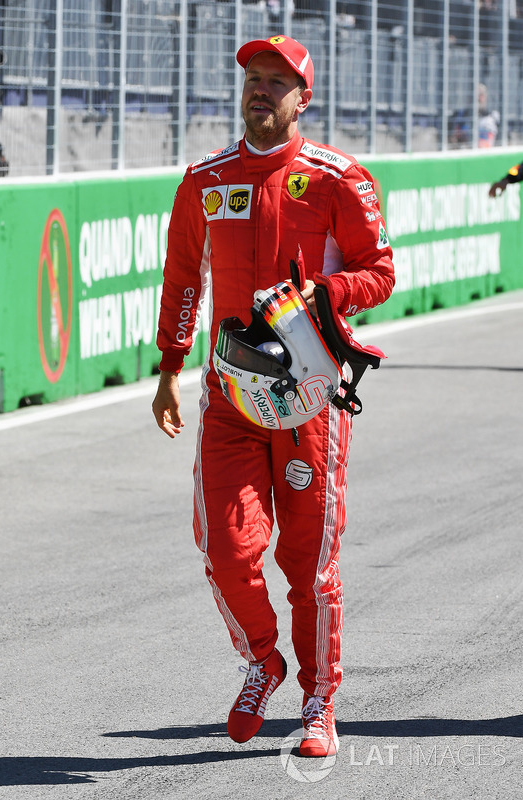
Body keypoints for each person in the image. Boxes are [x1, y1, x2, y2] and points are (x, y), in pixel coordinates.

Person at [153, 34, 394, 757]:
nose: (260, 90)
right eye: (252, 78)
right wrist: (168, 363)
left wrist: (324, 293)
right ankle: (262, 658)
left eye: (275, 81)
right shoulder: (204, 178)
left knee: (308, 564)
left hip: (311, 401)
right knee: (223, 548)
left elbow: (378, 273)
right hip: (230, 398)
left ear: (302, 98)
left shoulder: (336, 177)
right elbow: (182, 278)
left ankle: (319, 699)